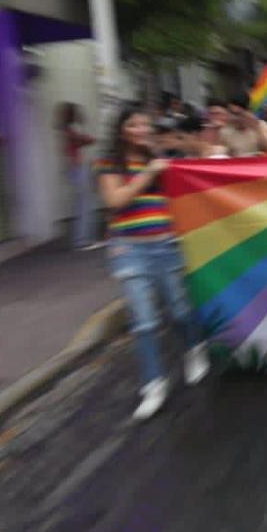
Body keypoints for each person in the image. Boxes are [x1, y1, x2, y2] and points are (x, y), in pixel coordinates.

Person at [96, 104, 211, 420]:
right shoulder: (109, 164)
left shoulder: (162, 162)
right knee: (144, 322)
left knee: (180, 310)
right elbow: (115, 201)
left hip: (166, 246)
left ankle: (194, 349)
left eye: (145, 125)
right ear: (122, 130)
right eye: (135, 125)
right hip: (131, 252)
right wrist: (149, 173)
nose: (142, 131)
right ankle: (153, 384)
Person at [58, 102, 101, 251]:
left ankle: (84, 239)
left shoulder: (66, 130)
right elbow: (87, 140)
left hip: (75, 169)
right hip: (77, 168)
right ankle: (82, 240)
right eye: (76, 112)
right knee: (84, 205)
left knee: (83, 204)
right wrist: (83, 123)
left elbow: (85, 141)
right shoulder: (69, 131)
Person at [221, 92, 267, 157]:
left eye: (238, 114)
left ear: (247, 112)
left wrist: (257, 128)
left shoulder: (260, 126)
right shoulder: (224, 131)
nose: (233, 118)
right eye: (231, 113)